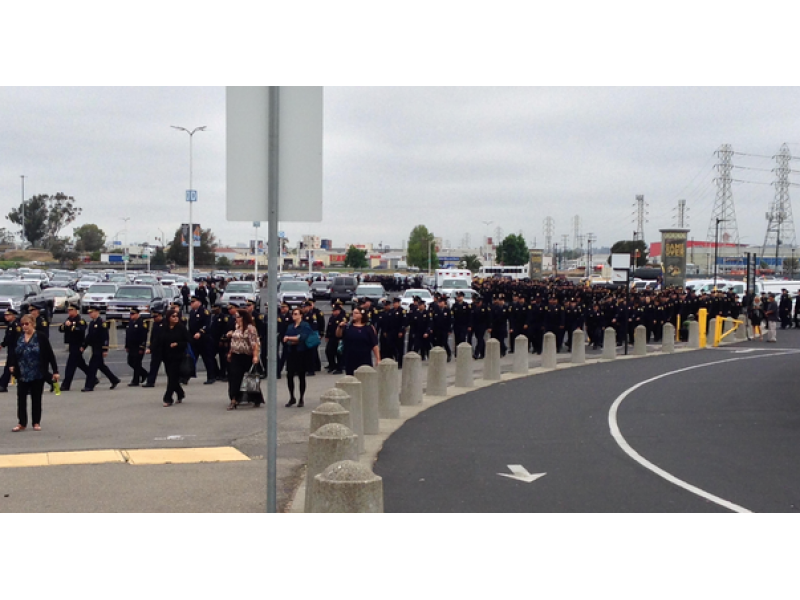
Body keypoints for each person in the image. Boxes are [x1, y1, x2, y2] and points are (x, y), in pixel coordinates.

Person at [8, 314, 59, 432]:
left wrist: (55, 371)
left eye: (27, 324)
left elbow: (50, 354)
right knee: (21, 399)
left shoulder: (41, 337)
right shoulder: (19, 337)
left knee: (36, 398)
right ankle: (22, 422)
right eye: (23, 324)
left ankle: (36, 422)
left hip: (37, 372)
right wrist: (12, 365)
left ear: (33, 324)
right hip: (22, 372)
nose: (25, 327)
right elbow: (14, 353)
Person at [225, 309, 261, 410]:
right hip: (236, 355)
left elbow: (255, 344)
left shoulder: (250, 329)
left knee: (251, 378)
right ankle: (234, 399)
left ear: (243, 318)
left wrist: (255, 356)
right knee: (234, 377)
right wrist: (230, 353)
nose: (236, 319)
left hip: (247, 356)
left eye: (237, 317)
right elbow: (234, 342)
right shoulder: (236, 328)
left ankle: (256, 398)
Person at [81, 306, 121, 392]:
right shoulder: (92, 323)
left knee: (92, 367)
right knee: (101, 366)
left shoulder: (102, 323)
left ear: (97, 312)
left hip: (99, 348)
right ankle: (114, 379)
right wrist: (84, 346)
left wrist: (105, 349)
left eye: (91, 312)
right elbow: (89, 337)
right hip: (94, 347)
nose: (90, 314)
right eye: (89, 312)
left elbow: (105, 337)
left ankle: (89, 386)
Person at [283, 307, 313, 408]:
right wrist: (292, 339)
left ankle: (301, 398)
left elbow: (302, 338)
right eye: (293, 314)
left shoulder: (305, 325)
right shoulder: (291, 326)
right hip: (292, 353)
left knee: (301, 376)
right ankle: (292, 397)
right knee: (289, 375)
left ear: (301, 315)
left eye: (296, 314)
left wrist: (290, 339)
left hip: (302, 353)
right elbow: (285, 338)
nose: (294, 316)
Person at [160, 309, 191, 406]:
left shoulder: (181, 328)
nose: (175, 318)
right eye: (173, 316)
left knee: (172, 377)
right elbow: (158, 340)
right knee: (171, 376)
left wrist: (177, 344)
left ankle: (168, 398)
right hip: (166, 356)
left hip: (178, 356)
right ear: (168, 318)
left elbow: (188, 341)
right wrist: (151, 349)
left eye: (177, 316)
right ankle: (180, 393)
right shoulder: (164, 328)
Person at [337, 307, 380, 376]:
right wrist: (339, 327)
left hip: (364, 358)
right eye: (353, 313)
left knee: (365, 378)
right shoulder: (348, 326)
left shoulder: (368, 327)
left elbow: (374, 344)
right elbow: (339, 335)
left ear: (362, 315)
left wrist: (378, 359)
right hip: (350, 358)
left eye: (356, 313)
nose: (354, 315)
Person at [59, 304, 91, 391]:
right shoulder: (68, 319)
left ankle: (66, 384)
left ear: (76, 310)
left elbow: (80, 330)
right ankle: (93, 378)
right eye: (68, 310)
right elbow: (61, 328)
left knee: (70, 365)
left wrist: (70, 326)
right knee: (81, 364)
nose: (69, 312)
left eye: (71, 310)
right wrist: (66, 325)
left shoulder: (80, 320)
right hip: (71, 345)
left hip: (78, 345)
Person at [125, 307, 150, 386]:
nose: (131, 316)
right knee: (130, 362)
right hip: (131, 346)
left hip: (138, 346)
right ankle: (144, 373)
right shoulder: (130, 322)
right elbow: (128, 335)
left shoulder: (142, 323)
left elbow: (144, 336)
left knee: (137, 363)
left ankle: (135, 381)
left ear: (137, 314)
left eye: (133, 314)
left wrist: (142, 347)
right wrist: (127, 345)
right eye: (131, 314)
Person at [0, 308, 22, 392]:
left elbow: (17, 338)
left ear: (13, 316)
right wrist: (3, 344)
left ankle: (3, 384)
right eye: (5, 315)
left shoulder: (16, 325)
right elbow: (8, 338)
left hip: (15, 349)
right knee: (10, 366)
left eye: (8, 315)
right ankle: (3, 384)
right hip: (11, 348)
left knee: (11, 367)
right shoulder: (10, 324)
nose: (5, 317)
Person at [143, 310, 166, 387]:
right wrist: (150, 346)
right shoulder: (155, 324)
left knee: (170, 366)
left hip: (164, 348)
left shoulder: (165, 323)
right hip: (156, 349)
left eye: (156, 317)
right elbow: (153, 337)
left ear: (160, 315)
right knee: (153, 366)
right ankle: (150, 382)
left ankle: (176, 379)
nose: (154, 318)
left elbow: (160, 338)